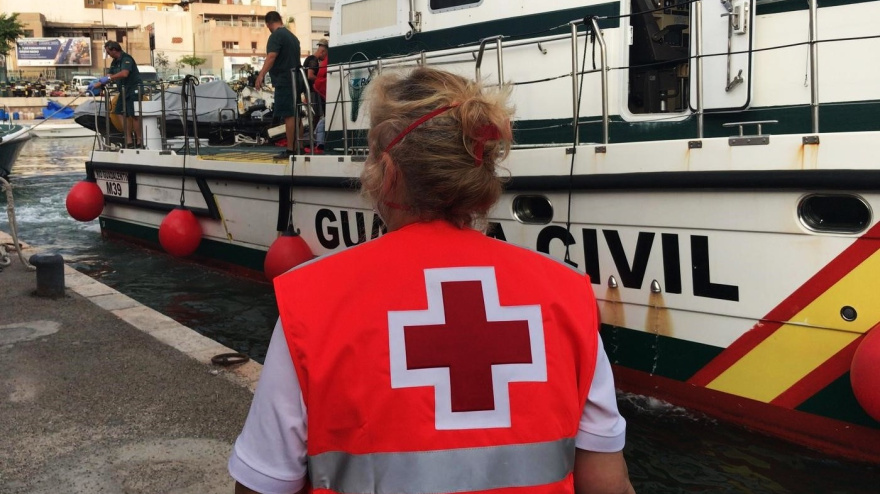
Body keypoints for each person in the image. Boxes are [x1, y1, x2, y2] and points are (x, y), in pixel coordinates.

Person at [228, 67, 636, 494]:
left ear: (388, 173)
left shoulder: (311, 302)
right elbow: (608, 484)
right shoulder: (566, 295)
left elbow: (263, 484)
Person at [255, 10, 304, 160]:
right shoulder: (293, 37)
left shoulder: (276, 36)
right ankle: (300, 147)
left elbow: (271, 56)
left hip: (284, 80)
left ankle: (290, 150)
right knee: (297, 114)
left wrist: (261, 74)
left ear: (269, 24)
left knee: (288, 115)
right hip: (297, 79)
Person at [94, 41, 143, 149]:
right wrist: (100, 83)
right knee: (119, 111)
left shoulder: (126, 58)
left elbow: (124, 73)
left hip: (134, 89)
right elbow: (110, 75)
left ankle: (140, 141)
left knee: (134, 114)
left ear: (114, 50)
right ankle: (129, 139)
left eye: (108, 52)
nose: (108, 54)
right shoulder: (114, 62)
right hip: (123, 90)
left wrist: (109, 78)